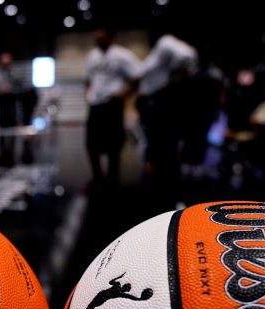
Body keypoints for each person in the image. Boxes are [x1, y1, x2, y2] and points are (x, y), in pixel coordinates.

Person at [136, 28, 198, 188]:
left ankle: (164, 182)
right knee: (155, 141)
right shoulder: (157, 53)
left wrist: (173, 78)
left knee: (163, 143)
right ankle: (159, 177)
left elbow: (188, 56)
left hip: (159, 103)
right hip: (153, 103)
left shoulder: (166, 42)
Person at [84, 27, 142, 187]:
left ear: (110, 38)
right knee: (91, 144)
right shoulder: (92, 56)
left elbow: (137, 77)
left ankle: (112, 177)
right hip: (95, 105)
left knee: (114, 144)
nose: (98, 40)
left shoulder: (122, 55)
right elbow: (88, 79)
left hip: (112, 104)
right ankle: (97, 176)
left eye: (101, 37)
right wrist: (88, 94)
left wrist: (124, 95)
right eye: (96, 38)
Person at [0, 51, 21, 168]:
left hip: (12, 108)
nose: (6, 65)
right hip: (1, 108)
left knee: (12, 133)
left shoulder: (15, 75)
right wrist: (0, 91)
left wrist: (11, 90)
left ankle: (11, 155)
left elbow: (20, 89)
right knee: (1, 134)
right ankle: (2, 154)